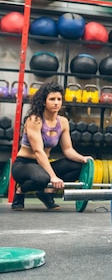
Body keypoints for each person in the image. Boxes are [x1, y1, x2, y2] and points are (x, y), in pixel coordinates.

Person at [11, 82, 92, 210]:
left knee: (78, 166)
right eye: (52, 99)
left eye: (59, 99)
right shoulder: (34, 120)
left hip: (43, 165)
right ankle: (20, 191)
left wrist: (83, 158)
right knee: (43, 178)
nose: (56, 103)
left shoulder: (63, 122)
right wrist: (53, 176)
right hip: (24, 165)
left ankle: (46, 192)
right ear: (44, 102)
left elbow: (68, 150)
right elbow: (38, 151)